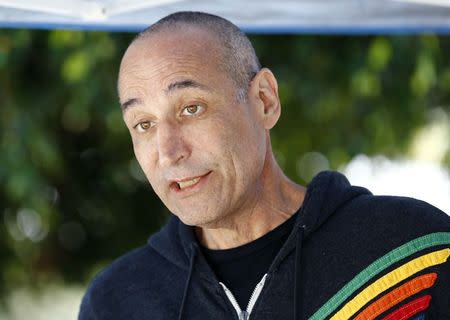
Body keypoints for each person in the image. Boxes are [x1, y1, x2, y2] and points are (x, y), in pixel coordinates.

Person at [79, 11, 450, 320]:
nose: (168, 151)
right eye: (144, 124)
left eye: (191, 108)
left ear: (265, 100)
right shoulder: (114, 303)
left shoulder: (415, 251)